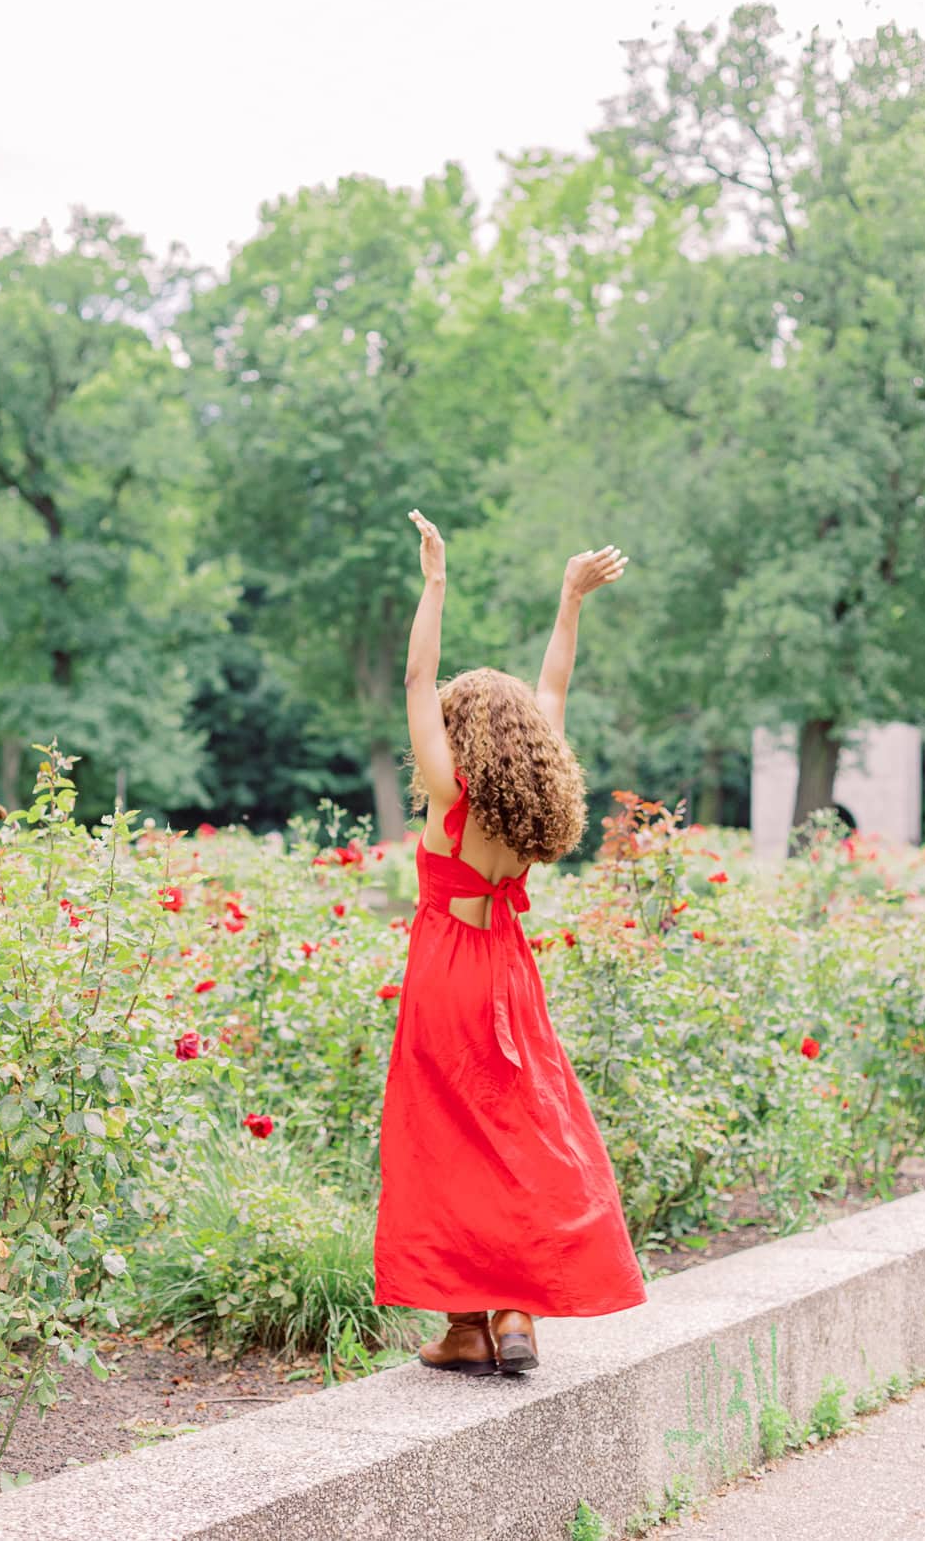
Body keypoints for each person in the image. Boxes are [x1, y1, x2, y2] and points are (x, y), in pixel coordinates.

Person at [372, 509, 648, 1377]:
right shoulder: (526, 802)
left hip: (445, 970)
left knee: (446, 1139)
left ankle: (465, 1323)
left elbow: (418, 674)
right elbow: (553, 688)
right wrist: (571, 598)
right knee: (523, 1131)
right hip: (508, 974)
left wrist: (436, 581)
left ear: (460, 732)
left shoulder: (449, 792)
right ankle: (513, 1312)